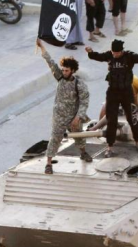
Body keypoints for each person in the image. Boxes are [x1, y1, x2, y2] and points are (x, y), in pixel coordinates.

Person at [85, 38, 138, 157]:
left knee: (132, 118)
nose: (114, 55)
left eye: (117, 53)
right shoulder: (109, 55)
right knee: (112, 120)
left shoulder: (129, 57)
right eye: (113, 52)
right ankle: (110, 147)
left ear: (122, 51)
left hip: (126, 92)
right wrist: (90, 52)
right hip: (113, 92)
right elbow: (97, 56)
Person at [37, 39, 92, 174]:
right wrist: (42, 47)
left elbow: (85, 100)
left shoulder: (78, 84)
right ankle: (49, 164)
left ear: (72, 70)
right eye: (63, 70)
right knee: (55, 138)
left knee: (79, 136)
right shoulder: (60, 77)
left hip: (73, 117)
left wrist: (78, 117)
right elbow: (50, 62)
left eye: (66, 70)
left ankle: (83, 153)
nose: (64, 72)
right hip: (59, 116)